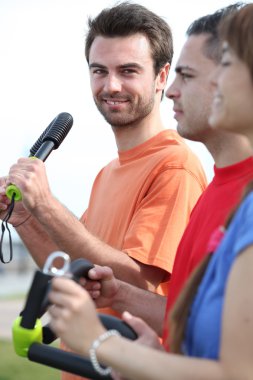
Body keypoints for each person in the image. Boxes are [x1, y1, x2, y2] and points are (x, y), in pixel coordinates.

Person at [47, 5, 253, 379]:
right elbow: (188, 324)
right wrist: (120, 297)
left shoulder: (180, 168)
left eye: (187, 75)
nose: (173, 90)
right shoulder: (226, 190)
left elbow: (236, 372)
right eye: (99, 70)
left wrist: (101, 343)